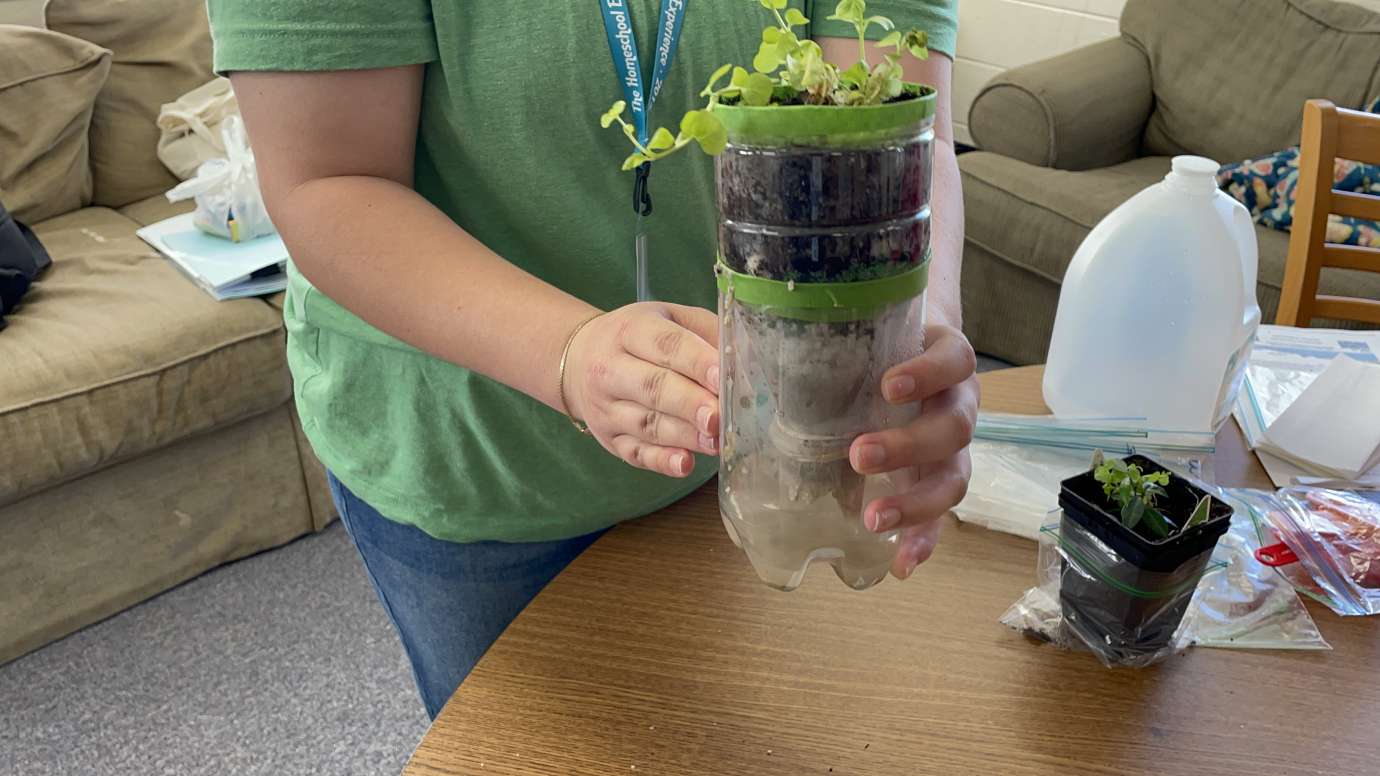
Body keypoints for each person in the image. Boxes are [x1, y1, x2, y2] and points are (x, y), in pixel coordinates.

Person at [209, 0, 975, 720]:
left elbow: (904, 134)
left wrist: (916, 330)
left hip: (741, 441)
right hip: (483, 460)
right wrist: (568, 352)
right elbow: (330, 181)